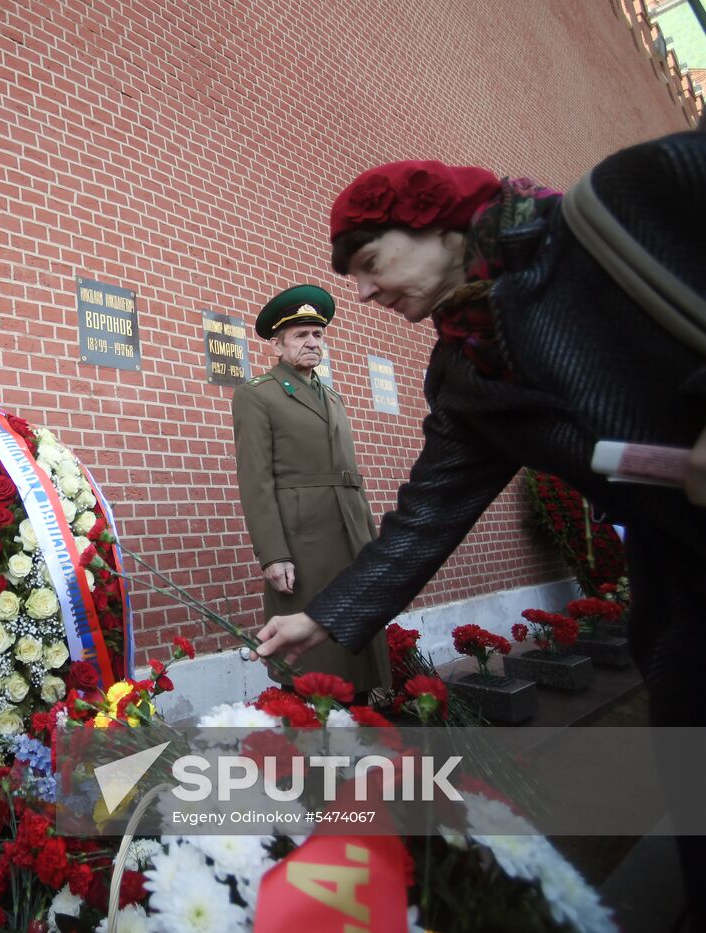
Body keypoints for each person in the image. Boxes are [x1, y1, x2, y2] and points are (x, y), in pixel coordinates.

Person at [250, 133, 705, 922]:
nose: (358, 295)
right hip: (687, 574)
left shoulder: (622, 205)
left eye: (367, 262)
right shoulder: (464, 369)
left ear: (435, 220)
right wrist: (324, 614)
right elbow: (427, 514)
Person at [232, 284, 390, 698]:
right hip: (303, 541)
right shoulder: (257, 394)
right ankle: (316, 737)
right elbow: (255, 479)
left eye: (317, 334)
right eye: (301, 335)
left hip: (352, 531)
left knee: (356, 638)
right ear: (278, 342)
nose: (312, 342)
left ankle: (360, 725)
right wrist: (274, 553)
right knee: (313, 661)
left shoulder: (332, 397)